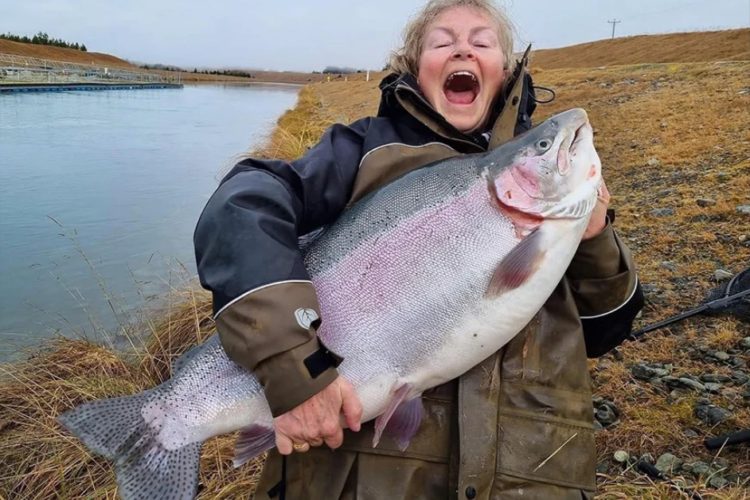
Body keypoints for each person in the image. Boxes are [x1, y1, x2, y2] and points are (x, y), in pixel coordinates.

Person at [194, 1, 644, 498]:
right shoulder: (361, 150)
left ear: (507, 67)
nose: (463, 50)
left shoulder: (555, 201)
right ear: (414, 64)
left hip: (530, 473)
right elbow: (244, 203)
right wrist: (292, 367)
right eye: (443, 41)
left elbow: (606, 331)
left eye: (481, 41)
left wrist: (596, 236)